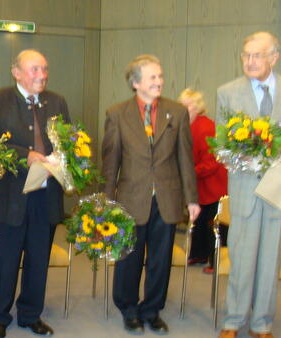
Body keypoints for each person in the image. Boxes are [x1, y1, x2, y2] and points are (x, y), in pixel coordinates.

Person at [101, 54, 199, 335]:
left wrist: (191, 198)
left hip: (167, 198)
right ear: (135, 83)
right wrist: (106, 203)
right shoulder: (117, 114)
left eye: (161, 76)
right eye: (153, 77)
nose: (160, 82)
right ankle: (128, 309)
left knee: (161, 259)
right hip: (131, 198)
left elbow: (185, 159)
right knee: (128, 258)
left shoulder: (176, 112)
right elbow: (110, 163)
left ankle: (152, 310)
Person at [0, 49, 69, 338]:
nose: (41, 75)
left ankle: (30, 315)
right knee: (5, 262)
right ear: (16, 72)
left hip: (46, 196)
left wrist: (66, 159)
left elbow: (68, 141)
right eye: (34, 70)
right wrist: (25, 155)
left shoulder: (57, 101)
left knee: (38, 261)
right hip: (9, 197)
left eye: (44, 69)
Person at [216, 31, 281, 338]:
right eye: (246, 55)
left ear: (274, 57)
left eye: (257, 55)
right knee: (241, 258)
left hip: (277, 191)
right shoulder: (227, 92)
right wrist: (246, 161)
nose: (250, 61)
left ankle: (262, 323)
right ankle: (234, 320)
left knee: (270, 260)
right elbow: (221, 146)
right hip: (243, 188)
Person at [178, 88, 228, 271]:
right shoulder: (188, 125)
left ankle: (216, 262)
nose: (182, 108)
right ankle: (198, 255)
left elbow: (212, 162)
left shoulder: (206, 127)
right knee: (198, 221)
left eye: (187, 105)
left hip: (213, 184)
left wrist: (188, 173)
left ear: (197, 107)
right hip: (198, 183)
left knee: (213, 225)